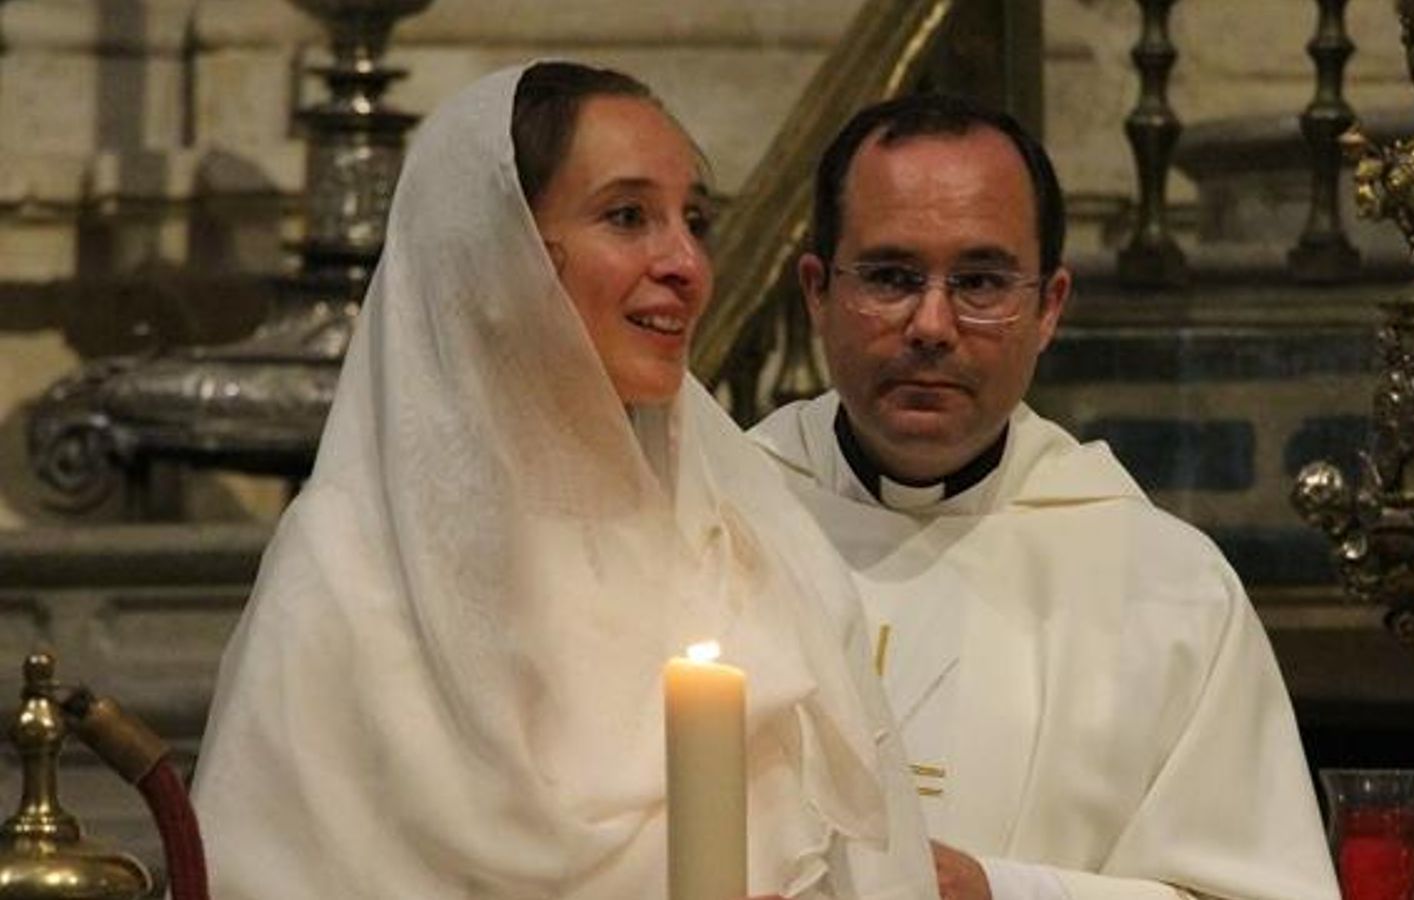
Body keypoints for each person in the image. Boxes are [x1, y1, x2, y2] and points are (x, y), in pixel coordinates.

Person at [192, 62, 937, 899]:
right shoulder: (348, 572)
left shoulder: (751, 544)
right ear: (495, 257)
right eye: (628, 216)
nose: (686, 262)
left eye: (694, 221)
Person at [751, 93, 1341, 900]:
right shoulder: (713, 521)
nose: (931, 323)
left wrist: (1004, 892)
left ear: (1048, 307)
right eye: (890, 276)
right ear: (817, 292)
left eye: (981, 282)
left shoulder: (1167, 590)